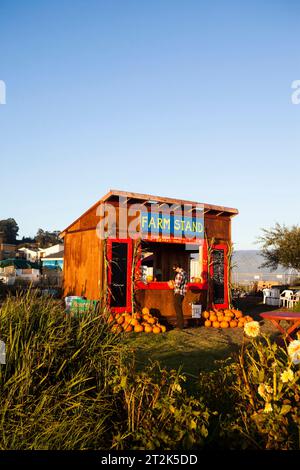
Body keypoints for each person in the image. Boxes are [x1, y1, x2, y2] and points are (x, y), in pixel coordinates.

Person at [171, 263, 188, 329]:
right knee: (179, 308)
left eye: (174, 269)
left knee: (178, 309)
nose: (175, 270)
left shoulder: (179, 275)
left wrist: (172, 284)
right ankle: (181, 324)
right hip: (182, 293)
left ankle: (180, 325)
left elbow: (177, 285)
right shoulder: (185, 273)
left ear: (177, 267)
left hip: (178, 293)